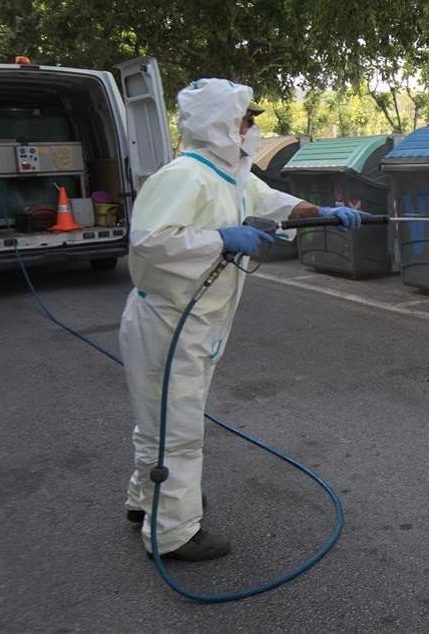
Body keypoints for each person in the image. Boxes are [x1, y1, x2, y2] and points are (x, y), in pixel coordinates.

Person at [118, 79, 362, 561]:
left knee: (161, 422)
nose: (253, 128)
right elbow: (149, 241)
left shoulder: (230, 174)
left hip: (195, 323)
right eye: (247, 120)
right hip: (169, 322)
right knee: (178, 429)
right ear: (222, 124)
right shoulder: (185, 176)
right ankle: (172, 532)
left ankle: (146, 499)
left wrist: (326, 213)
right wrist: (220, 239)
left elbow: (274, 202)